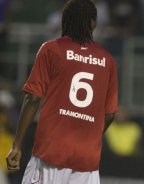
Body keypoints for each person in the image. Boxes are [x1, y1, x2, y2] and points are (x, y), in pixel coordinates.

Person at [6, 0, 118, 183]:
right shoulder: (108, 60)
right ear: (93, 23)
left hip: (51, 153)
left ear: (63, 21)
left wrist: (17, 145)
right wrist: (88, 138)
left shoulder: (51, 49)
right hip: (87, 162)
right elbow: (110, 114)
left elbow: (33, 98)